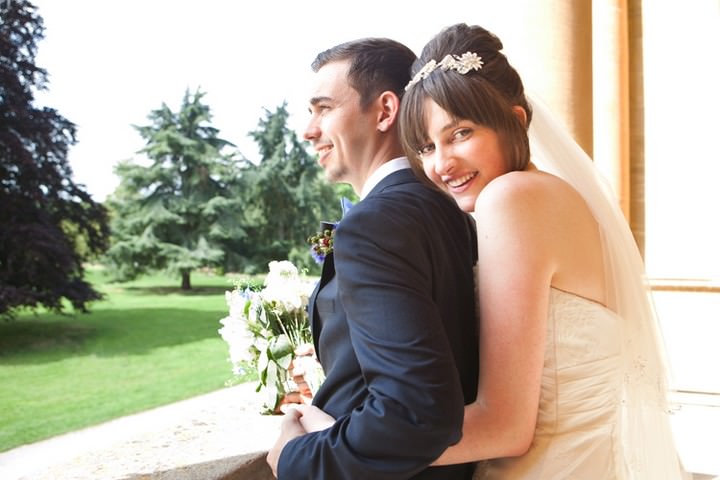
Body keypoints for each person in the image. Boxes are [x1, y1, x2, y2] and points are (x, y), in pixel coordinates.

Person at [298, 23, 689, 479]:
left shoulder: (513, 201)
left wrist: (329, 442)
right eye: (426, 146)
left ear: (515, 122)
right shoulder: (545, 199)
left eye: (460, 133)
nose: (442, 164)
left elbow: (505, 428)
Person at [265, 37, 480, 479]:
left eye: (323, 108)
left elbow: (415, 412)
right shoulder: (449, 210)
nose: (309, 130)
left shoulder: (375, 225)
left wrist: (296, 459)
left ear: (384, 111)